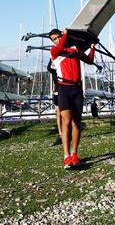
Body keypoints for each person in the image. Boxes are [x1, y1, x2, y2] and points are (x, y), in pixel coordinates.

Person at [49, 27, 96, 169]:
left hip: (77, 89)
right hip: (64, 89)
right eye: (54, 39)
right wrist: (66, 34)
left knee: (77, 122)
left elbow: (89, 60)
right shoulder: (55, 51)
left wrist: (92, 48)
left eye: (58, 37)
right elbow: (62, 44)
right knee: (66, 122)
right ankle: (66, 156)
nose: (57, 40)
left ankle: (75, 154)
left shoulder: (75, 48)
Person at [47, 59, 63, 146]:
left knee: (63, 113)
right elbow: (49, 68)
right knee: (58, 114)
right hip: (57, 92)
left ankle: (64, 131)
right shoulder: (54, 72)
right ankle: (60, 133)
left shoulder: (63, 71)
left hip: (63, 92)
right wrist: (51, 58)